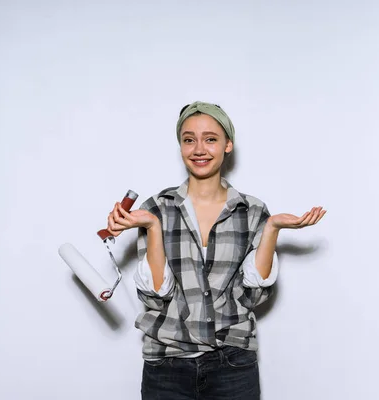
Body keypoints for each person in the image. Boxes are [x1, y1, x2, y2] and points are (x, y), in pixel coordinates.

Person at [106, 101, 326, 400]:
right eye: (188, 139)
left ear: (227, 145)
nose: (199, 149)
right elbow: (156, 298)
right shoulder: (156, 208)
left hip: (233, 364)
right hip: (167, 365)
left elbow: (253, 297)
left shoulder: (252, 211)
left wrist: (272, 228)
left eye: (210, 139)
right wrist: (153, 229)